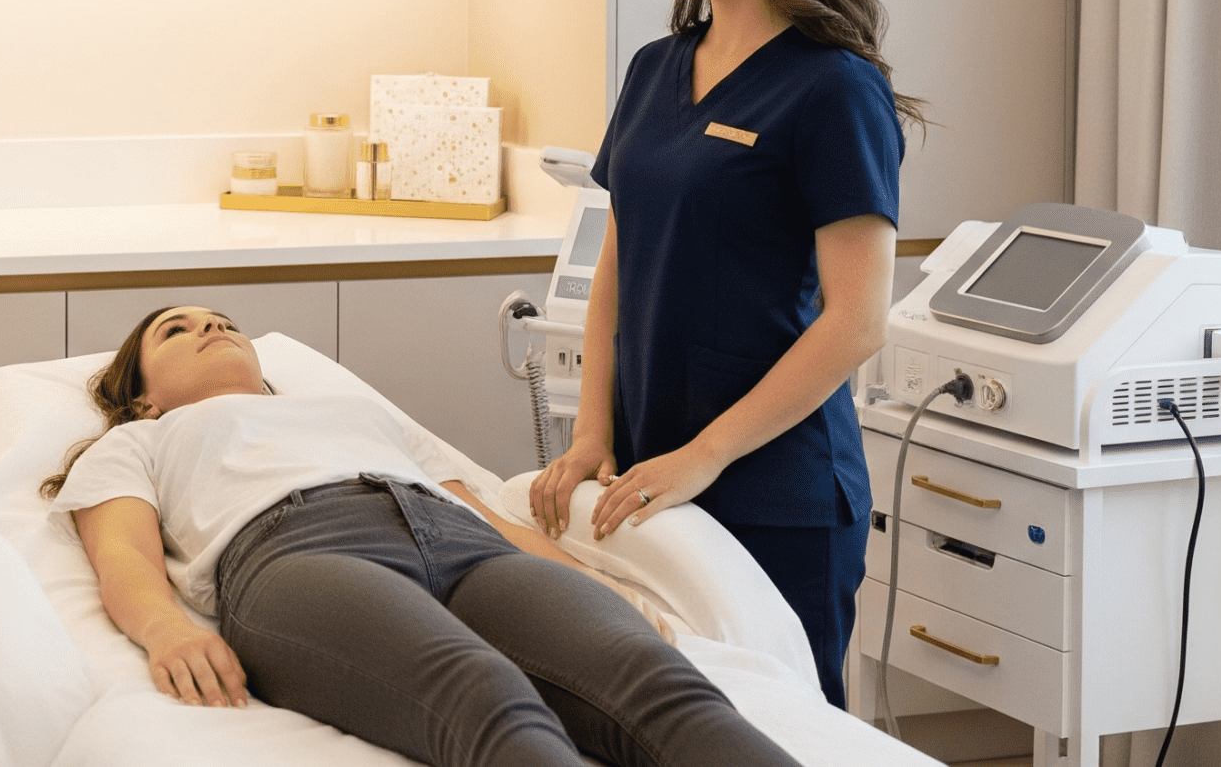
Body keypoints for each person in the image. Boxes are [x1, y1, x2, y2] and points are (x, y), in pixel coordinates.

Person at [44, 303, 802, 767]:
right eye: (177, 330)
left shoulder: (354, 412)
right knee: (485, 695)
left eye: (223, 321)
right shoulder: (139, 443)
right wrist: (167, 630)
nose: (210, 325)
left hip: (461, 543)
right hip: (300, 555)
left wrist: (595, 582)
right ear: (142, 397)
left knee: (656, 681)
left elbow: (484, 513)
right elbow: (122, 555)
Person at [527, 0, 915, 709]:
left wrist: (705, 454)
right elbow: (617, 265)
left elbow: (858, 323)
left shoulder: (834, 90)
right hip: (647, 469)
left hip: (771, 483)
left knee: (775, 730)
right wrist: (594, 434)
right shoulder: (657, 68)